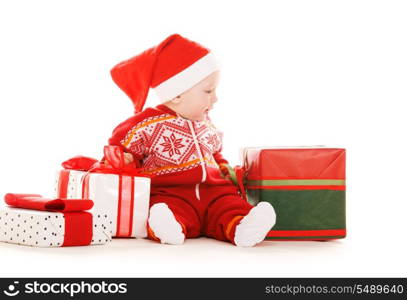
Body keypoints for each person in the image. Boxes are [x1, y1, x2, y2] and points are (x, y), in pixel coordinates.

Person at [108, 34, 276, 246]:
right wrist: (122, 160)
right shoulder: (147, 124)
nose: (215, 98)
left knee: (229, 205)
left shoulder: (206, 122)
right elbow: (119, 145)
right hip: (172, 193)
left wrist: (227, 171)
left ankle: (243, 226)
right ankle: (168, 226)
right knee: (165, 207)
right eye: (208, 91)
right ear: (176, 94)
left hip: (213, 192)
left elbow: (215, 153)